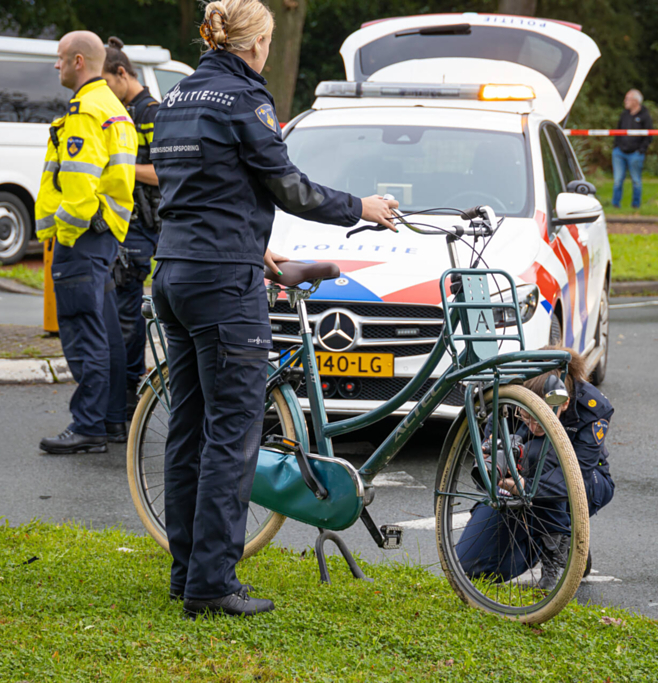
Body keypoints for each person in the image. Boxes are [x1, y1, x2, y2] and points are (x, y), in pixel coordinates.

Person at [151, 0, 398, 619]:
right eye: (269, 40)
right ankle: (211, 585)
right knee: (233, 437)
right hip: (222, 285)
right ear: (255, 43)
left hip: (175, 270)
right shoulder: (244, 100)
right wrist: (358, 208)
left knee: (188, 431)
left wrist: (248, 245)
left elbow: (198, 186)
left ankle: (186, 575)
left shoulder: (176, 99)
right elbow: (286, 184)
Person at [35, 31, 135, 454]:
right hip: (106, 235)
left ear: (78, 61)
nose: (56, 66)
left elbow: (78, 187)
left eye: (60, 59)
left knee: (82, 330)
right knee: (107, 331)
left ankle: (88, 425)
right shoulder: (113, 107)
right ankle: (111, 420)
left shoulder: (85, 111)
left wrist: (64, 233)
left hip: (81, 238)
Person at [456, 349, 615, 589]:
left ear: (564, 403)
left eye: (539, 418)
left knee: (538, 453)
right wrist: (499, 480)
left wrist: (524, 487)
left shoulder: (591, 408)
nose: (532, 425)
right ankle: (558, 541)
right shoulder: (511, 394)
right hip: (521, 480)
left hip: (585, 482)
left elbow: (574, 475)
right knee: (470, 565)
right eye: (525, 416)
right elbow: (493, 448)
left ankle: (556, 554)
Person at [101, 37, 160, 419]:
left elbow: (163, 172)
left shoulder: (151, 113)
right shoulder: (124, 109)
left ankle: (127, 402)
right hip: (125, 226)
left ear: (122, 74)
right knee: (122, 313)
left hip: (143, 229)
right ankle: (122, 401)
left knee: (126, 318)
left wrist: (115, 167)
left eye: (106, 84)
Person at [611, 89, 652, 209]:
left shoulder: (645, 115)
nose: (625, 101)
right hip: (619, 152)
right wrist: (616, 147)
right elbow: (617, 131)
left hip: (635, 154)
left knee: (636, 181)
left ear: (635, 101)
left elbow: (649, 135)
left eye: (627, 99)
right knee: (618, 180)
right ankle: (615, 205)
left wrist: (641, 150)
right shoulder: (624, 114)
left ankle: (635, 205)